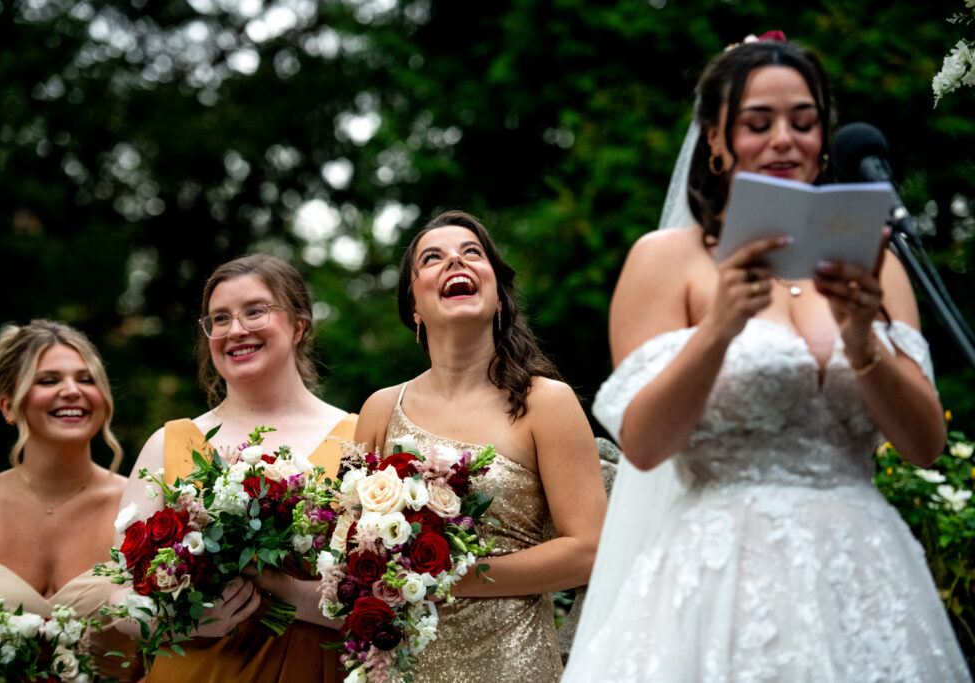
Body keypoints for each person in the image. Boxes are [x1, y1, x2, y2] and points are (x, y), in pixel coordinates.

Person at [562, 35, 972, 681]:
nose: (785, 139)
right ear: (718, 140)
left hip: (862, 567)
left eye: (803, 122)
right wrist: (718, 329)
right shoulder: (666, 260)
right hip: (723, 573)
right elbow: (642, 445)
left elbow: (925, 444)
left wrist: (863, 339)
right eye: (759, 123)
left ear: (824, 139)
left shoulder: (876, 262)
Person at [355, 210, 608, 682]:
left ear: (497, 299)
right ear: (414, 307)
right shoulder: (380, 409)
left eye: (472, 252)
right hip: (403, 666)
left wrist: (450, 576)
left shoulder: (544, 402)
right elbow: (355, 549)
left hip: (511, 663)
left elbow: (589, 550)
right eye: (433, 258)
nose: (456, 261)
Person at [118, 254, 356, 682]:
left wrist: (291, 595)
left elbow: (393, 602)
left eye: (255, 311)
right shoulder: (167, 444)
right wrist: (184, 620)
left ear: (299, 326)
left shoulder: (357, 439)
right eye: (219, 319)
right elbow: (115, 597)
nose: (236, 330)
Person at [0, 320, 143, 681]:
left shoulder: (140, 506)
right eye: (48, 380)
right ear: (8, 406)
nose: (72, 391)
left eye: (86, 380)